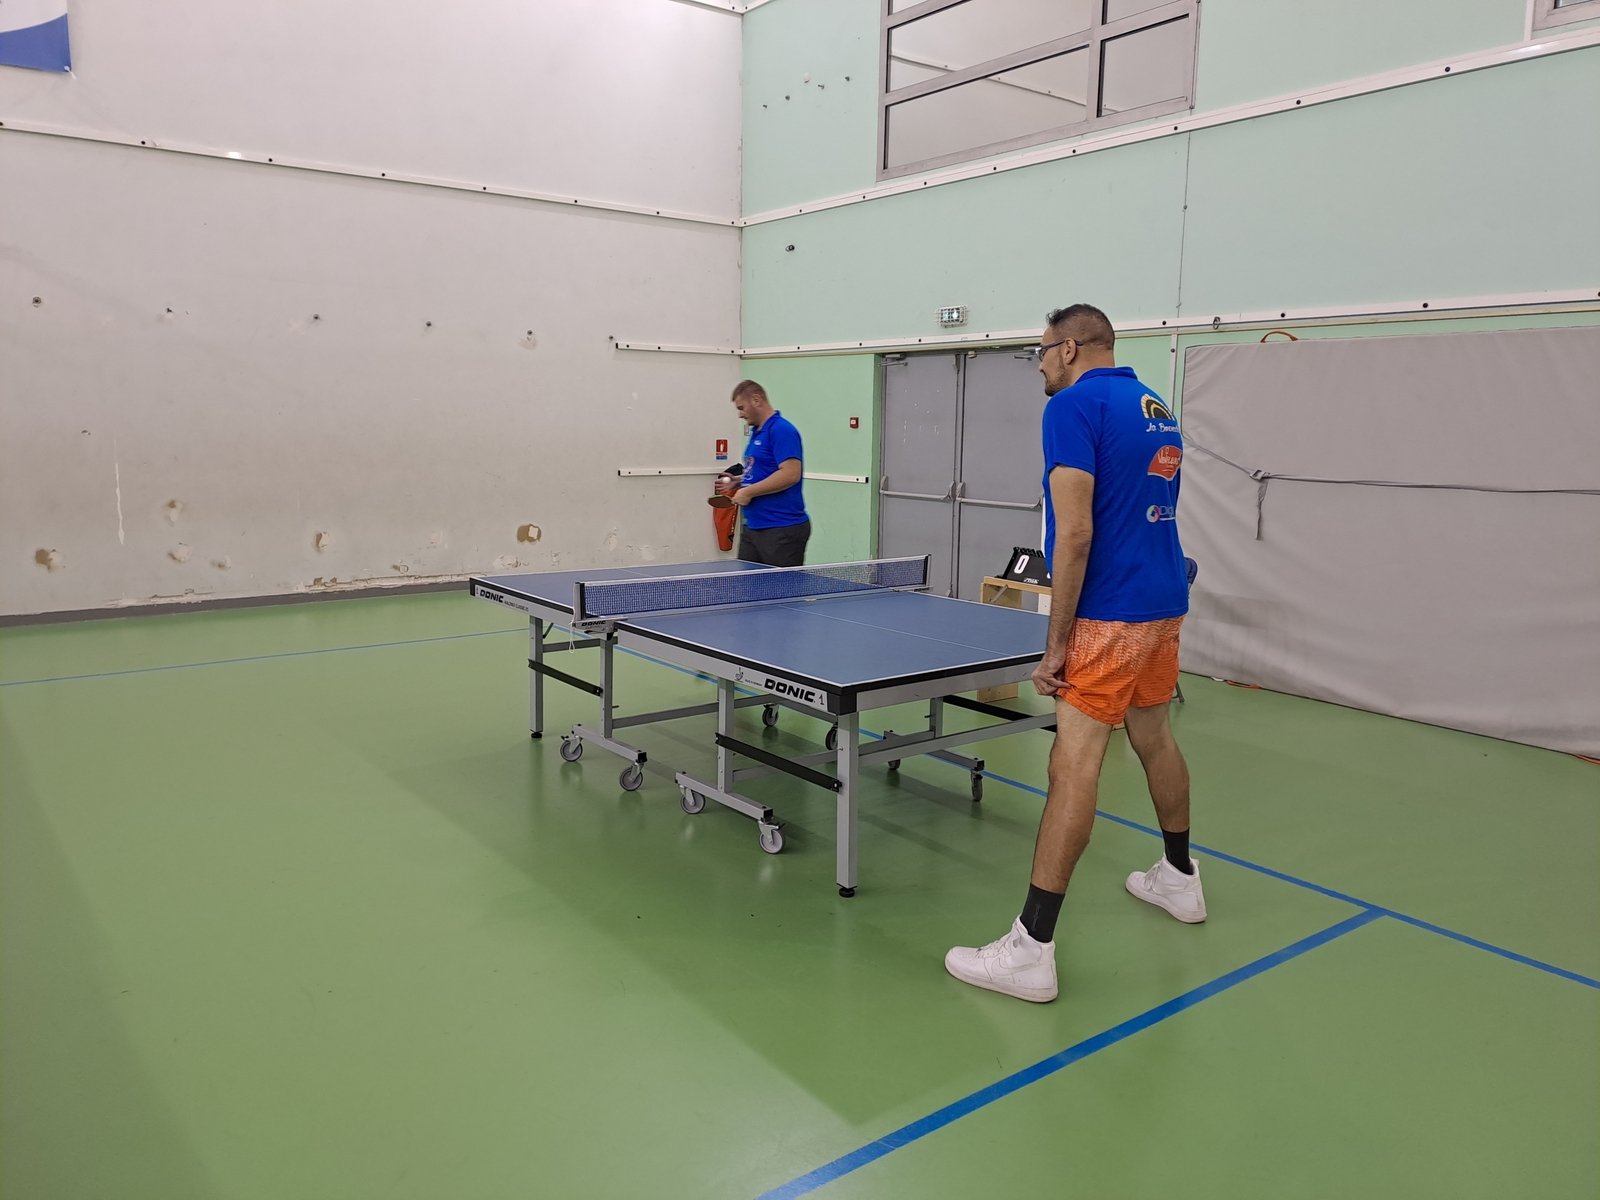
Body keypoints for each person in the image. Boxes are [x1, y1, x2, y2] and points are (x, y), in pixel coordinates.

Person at [944, 303, 1204, 1004]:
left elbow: (1077, 532)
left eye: (1041, 351)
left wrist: (1056, 646)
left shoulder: (1070, 407)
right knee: (1154, 736)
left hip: (1108, 614)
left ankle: (1031, 949)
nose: (1038, 365)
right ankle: (1179, 876)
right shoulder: (1154, 407)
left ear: (1068, 348)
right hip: (1162, 602)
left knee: (1073, 766)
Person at [725, 380, 810, 567]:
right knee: (746, 584)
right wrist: (739, 481)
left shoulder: (781, 430)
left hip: (781, 529)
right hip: (753, 527)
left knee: (781, 586)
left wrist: (748, 492)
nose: (740, 414)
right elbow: (763, 470)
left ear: (756, 400)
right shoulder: (757, 432)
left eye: (741, 408)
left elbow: (790, 474)